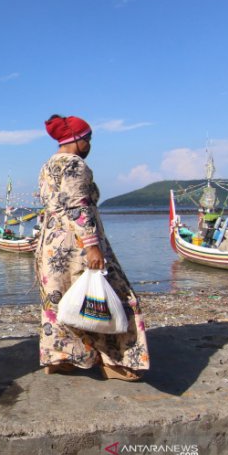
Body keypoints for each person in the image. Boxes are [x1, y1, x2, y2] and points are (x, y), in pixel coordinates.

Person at [35, 114, 150, 381]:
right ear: (77, 139)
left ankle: (62, 357)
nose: (89, 145)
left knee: (59, 300)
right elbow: (78, 206)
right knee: (110, 297)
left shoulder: (48, 165)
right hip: (75, 244)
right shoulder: (75, 165)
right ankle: (115, 361)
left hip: (51, 243)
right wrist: (92, 246)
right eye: (88, 139)